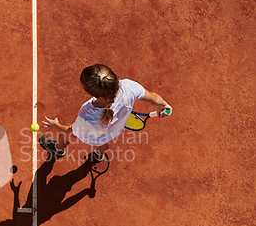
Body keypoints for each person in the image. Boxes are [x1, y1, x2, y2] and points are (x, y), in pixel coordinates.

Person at [40, 64, 172, 162]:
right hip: (111, 132)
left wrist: (55, 125)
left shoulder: (88, 115)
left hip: (93, 135)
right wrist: (164, 105)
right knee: (104, 142)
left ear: (94, 95)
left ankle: (58, 148)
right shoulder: (129, 86)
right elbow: (154, 98)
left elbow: (72, 133)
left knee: (64, 135)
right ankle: (98, 155)